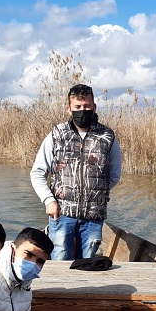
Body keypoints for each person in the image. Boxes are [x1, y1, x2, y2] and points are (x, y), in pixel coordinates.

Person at [30, 83, 122, 260]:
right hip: (61, 215)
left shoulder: (107, 136)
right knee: (59, 265)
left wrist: (95, 193)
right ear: (69, 108)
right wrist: (49, 200)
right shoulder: (57, 135)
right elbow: (38, 172)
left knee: (87, 266)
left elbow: (114, 175)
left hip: (93, 219)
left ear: (94, 106)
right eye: (78, 107)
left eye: (87, 106)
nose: (83, 110)